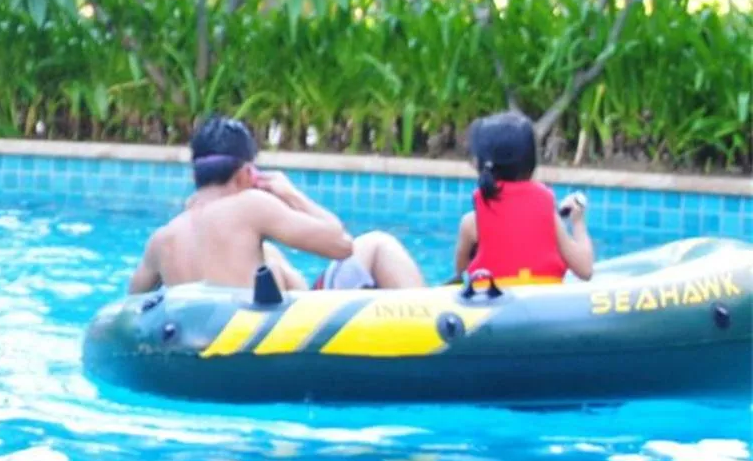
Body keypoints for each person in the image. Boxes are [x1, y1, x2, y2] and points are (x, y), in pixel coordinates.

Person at [128, 115, 425, 294]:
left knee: (271, 259)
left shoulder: (162, 240)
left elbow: (133, 300)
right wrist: (291, 194)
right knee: (376, 244)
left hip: (205, 348)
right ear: (247, 173)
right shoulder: (251, 205)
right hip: (261, 343)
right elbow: (341, 245)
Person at [454, 110, 594, 284]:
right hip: (543, 304)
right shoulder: (548, 216)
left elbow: (461, 272)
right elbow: (585, 269)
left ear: (480, 165)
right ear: (531, 163)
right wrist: (578, 223)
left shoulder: (471, 223)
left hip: (492, 304)